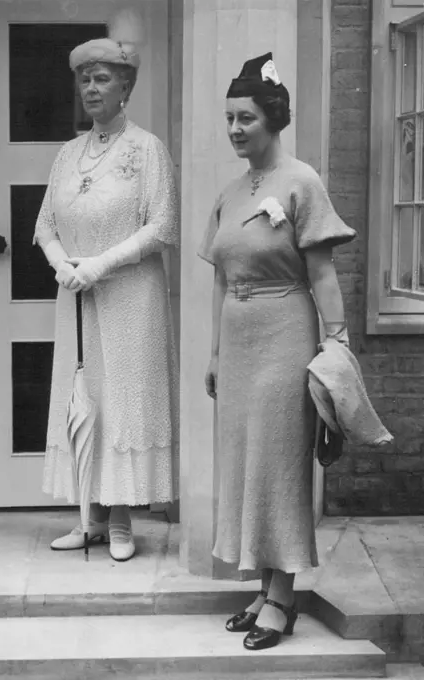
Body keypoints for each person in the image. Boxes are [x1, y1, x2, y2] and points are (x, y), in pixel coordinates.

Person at [198, 53, 355, 651]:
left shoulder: (301, 182)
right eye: (229, 118)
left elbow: (323, 275)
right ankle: (265, 587)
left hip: (286, 331)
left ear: (274, 118)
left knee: (278, 463)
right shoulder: (233, 190)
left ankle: (283, 597)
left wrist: (334, 343)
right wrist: (214, 352)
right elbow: (217, 275)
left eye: (246, 118)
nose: (236, 129)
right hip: (237, 342)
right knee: (247, 464)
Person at [33, 15, 179, 562]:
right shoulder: (68, 154)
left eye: (102, 79)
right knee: (82, 399)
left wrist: (98, 265)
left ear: (126, 88)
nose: (92, 89)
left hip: (129, 298)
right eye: (85, 80)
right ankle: (88, 518)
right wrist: (60, 261)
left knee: (121, 399)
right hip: (75, 294)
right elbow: (45, 222)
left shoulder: (147, 150)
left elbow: (161, 225)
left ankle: (121, 522)